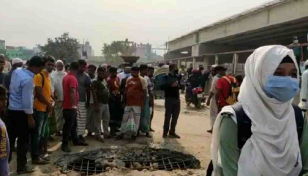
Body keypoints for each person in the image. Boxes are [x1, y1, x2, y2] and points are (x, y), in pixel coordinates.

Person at [211, 45, 308, 176]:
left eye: (293, 74)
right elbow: (230, 171)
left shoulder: (299, 117)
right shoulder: (233, 118)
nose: (288, 80)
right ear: (258, 74)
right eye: (278, 73)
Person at [8, 56, 44, 174]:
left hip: (11, 109)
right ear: (34, 67)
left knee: (10, 140)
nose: (40, 72)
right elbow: (27, 100)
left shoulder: (17, 71)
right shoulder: (28, 80)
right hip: (22, 112)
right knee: (23, 141)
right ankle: (21, 167)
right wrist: (30, 117)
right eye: (40, 69)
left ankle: (4, 165)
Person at [31, 56, 55, 165]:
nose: (50, 66)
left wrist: (51, 101)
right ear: (44, 64)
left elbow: (47, 94)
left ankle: (40, 154)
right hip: (39, 108)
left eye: (52, 65)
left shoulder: (48, 76)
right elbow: (39, 95)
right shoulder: (39, 76)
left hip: (46, 108)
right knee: (37, 134)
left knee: (42, 133)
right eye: (48, 64)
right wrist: (49, 104)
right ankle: (35, 156)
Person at [62, 61, 87, 153]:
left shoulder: (66, 77)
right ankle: (65, 145)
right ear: (77, 68)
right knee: (68, 126)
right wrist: (73, 104)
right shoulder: (72, 78)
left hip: (68, 105)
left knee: (73, 125)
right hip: (70, 106)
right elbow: (72, 91)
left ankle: (75, 140)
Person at [118, 66, 147, 140]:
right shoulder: (129, 79)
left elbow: (144, 92)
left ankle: (134, 134)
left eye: (135, 72)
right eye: (132, 72)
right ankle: (122, 133)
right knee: (124, 118)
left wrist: (143, 103)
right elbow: (126, 90)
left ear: (138, 72)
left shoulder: (142, 80)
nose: (133, 73)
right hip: (128, 103)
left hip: (137, 103)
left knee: (136, 120)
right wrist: (123, 101)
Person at [88, 67, 110, 142]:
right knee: (97, 120)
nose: (102, 74)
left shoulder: (104, 80)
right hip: (99, 103)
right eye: (100, 73)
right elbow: (94, 94)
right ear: (97, 73)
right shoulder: (95, 82)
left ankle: (106, 133)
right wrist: (96, 105)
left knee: (106, 119)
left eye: (103, 73)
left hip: (106, 103)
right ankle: (97, 134)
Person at [161, 64, 181, 138]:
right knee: (168, 116)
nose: (177, 69)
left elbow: (181, 85)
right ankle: (165, 132)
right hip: (169, 98)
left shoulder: (177, 77)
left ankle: (172, 131)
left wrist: (179, 86)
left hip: (177, 98)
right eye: (176, 67)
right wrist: (171, 86)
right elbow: (162, 86)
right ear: (172, 68)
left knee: (175, 116)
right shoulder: (166, 77)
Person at [76, 60, 91, 143]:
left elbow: (88, 89)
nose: (82, 68)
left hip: (82, 100)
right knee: (74, 119)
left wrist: (88, 101)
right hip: (73, 100)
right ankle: (74, 135)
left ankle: (80, 135)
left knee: (82, 119)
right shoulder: (73, 74)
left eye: (83, 67)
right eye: (80, 66)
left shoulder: (86, 76)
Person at [51, 60, 66, 135]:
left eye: (61, 65)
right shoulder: (53, 75)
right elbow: (52, 87)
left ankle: (62, 129)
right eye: (58, 65)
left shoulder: (65, 75)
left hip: (65, 99)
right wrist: (54, 94)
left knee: (64, 116)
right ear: (56, 66)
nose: (60, 67)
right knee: (57, 115)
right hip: (57, 98)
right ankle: (57, 130)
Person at [206, 65, 222, 133]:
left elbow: (213, 90)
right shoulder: (223, 77)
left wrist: (208, 99)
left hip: (215, 98)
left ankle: (213, 128)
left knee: (213, 114)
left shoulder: (215, 78)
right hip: (223, 98)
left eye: (212, 70)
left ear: (216, 71)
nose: (211, 72)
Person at [107, 67, 123, 136]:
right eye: (113, 72)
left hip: (118, 99)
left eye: (115, 72)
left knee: (117, 114)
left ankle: (115, 128)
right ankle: (111, 131)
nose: (115, 74)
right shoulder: (108, 80)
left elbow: (118, 87)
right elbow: (108, 90)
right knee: (112, 115)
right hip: (112, 100)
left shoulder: (117, 78)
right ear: (110, 73)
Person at [139, 64, 152, 138]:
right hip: (139, 98)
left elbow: (149, 89)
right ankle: (137, 130)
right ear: (141, 70)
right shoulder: (138, 78)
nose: (147, 71)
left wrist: (150, 99)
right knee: (139, 115)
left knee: (147, 115)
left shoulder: (147, 78)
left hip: (146, 98)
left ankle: (147, 131)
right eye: (145, 70)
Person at [0, 86, 9, 176]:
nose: (5, 102)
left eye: (5, 99)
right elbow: (3, 154)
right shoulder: (1, 126)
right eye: (2, 100)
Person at [147, 66, 155, 132]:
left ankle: (149, 127)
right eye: (151, 72)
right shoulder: (145, 79)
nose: (152, 73)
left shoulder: (152, 79)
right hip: (146, 98)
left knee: (151, 114)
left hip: (151, 98)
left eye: (153, 72)